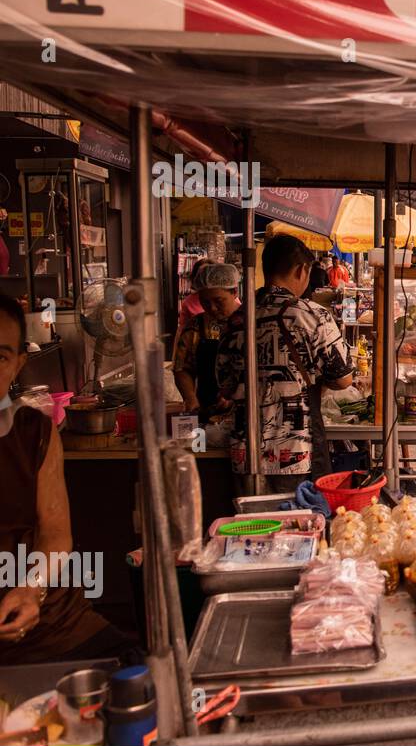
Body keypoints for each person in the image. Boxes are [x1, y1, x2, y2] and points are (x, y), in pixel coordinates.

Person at [0, 294, 139, 665]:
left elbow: (56, 536)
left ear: (18, 365)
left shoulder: (34, 432)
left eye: (0, 357)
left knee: (142, 681)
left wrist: (31, 589)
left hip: (57, 625)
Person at [216, 235, 354, 493]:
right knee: (302, 525)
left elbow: (224, 384)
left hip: (245, 454)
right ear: (302, 270)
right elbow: (344, 378)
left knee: (252, 528)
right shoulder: (311, 315)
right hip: (297, 454)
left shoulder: (236, 319)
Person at [173, 262, 242, 419]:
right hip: (207, 411)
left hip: (245, 413)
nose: (212, 308)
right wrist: (190, 398)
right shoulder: (196, 326)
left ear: (234, 292)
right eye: (205, 302)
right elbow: (182, 367)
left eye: (219, 301)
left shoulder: (251, 323)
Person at [178, 258, 213, 336]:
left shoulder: (227, 296)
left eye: (208, 273)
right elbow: (181, 330)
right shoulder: (188, 303)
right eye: (200, 274)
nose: (205, 278)